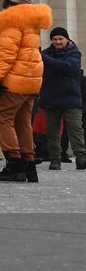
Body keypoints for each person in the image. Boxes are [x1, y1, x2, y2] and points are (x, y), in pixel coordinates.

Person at [0, 0, 51, 183]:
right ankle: (29, 164)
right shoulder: (29, 18)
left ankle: (14, 164)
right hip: (30, 79)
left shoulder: (12, 18)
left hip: (14, 81)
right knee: (22, 121)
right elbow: (10, 36)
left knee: (1, 118)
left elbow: (7, 53)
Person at [39, 26, 84, 171]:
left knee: (75, 130)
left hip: (71, 98)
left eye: (60, 39)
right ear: (51, 40)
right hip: (51, 98)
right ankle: (55, 159)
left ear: (66, 39)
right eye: (54, 39)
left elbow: (69, 67)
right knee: (52, 132)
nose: (57, 42)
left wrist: (45, 59)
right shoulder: (45, 54)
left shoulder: (74, 53)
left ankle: (81, 157)